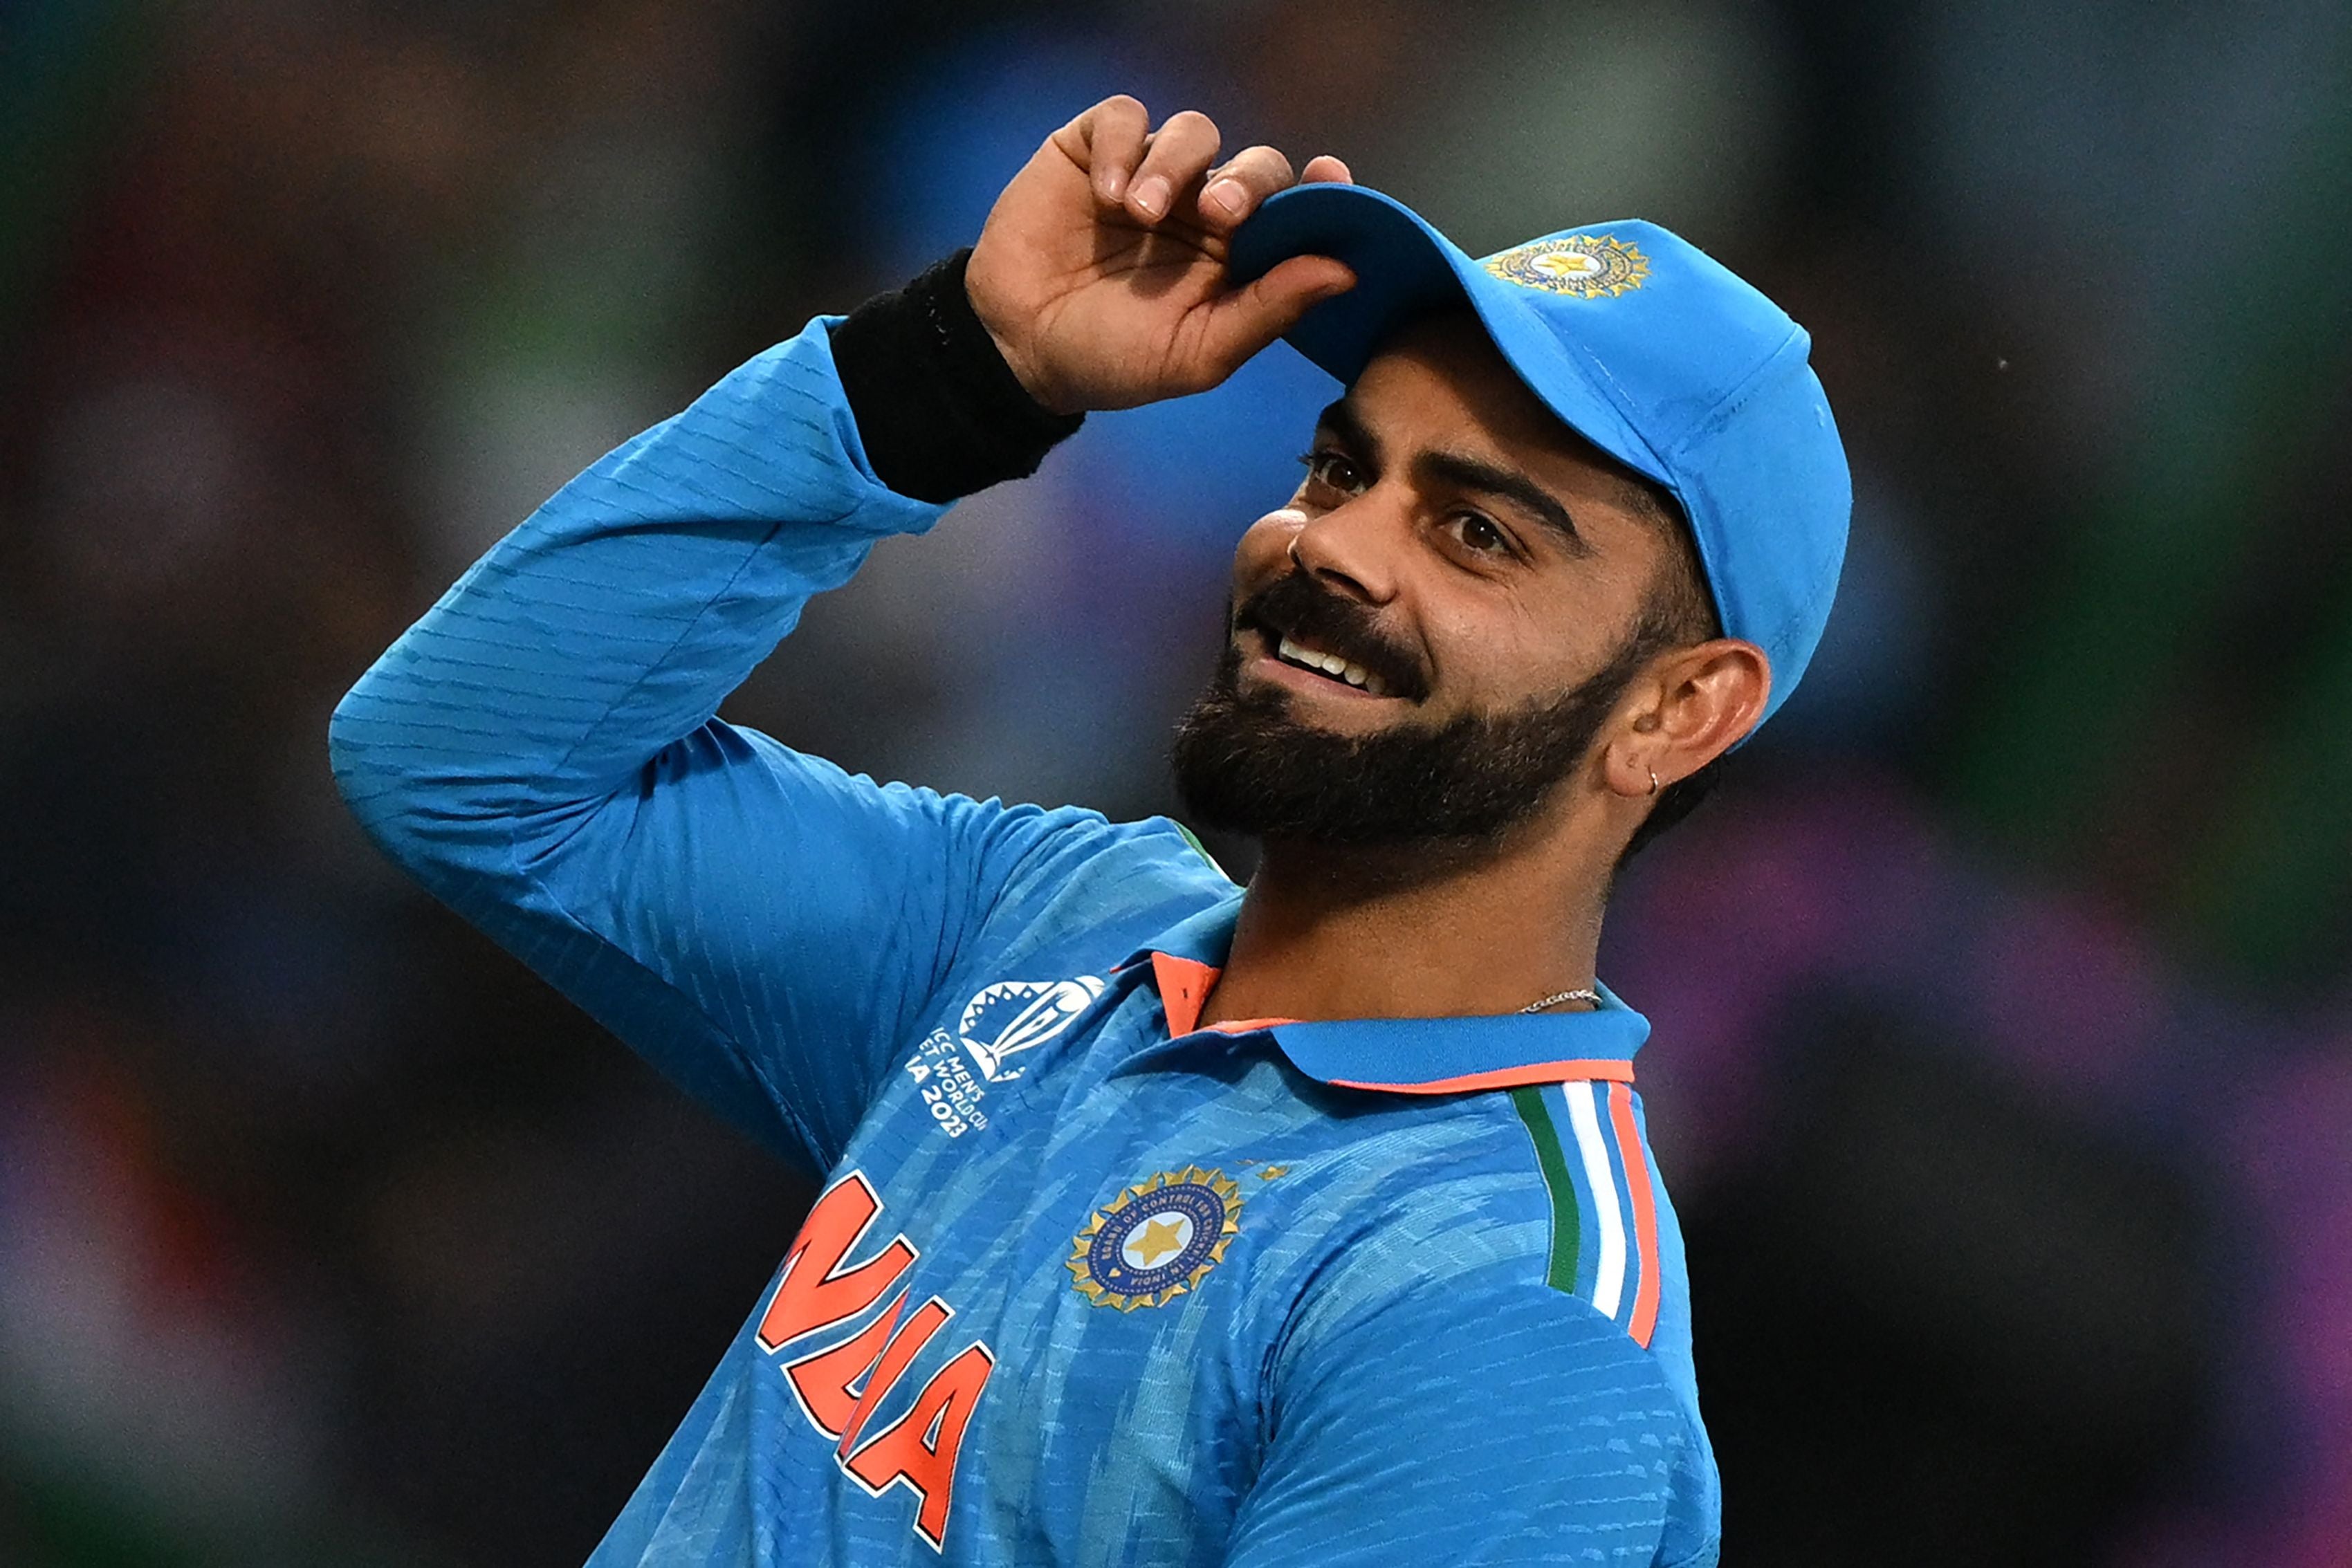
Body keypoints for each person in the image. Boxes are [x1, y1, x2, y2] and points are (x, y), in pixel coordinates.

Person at [331, 93, 1846, 1567]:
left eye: (1474, 533)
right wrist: (962, 370)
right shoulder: (1050, 925)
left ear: (1678, 712)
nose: (1328, 548)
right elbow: (465, 765)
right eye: (1340, 467)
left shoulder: (1507, 1316)